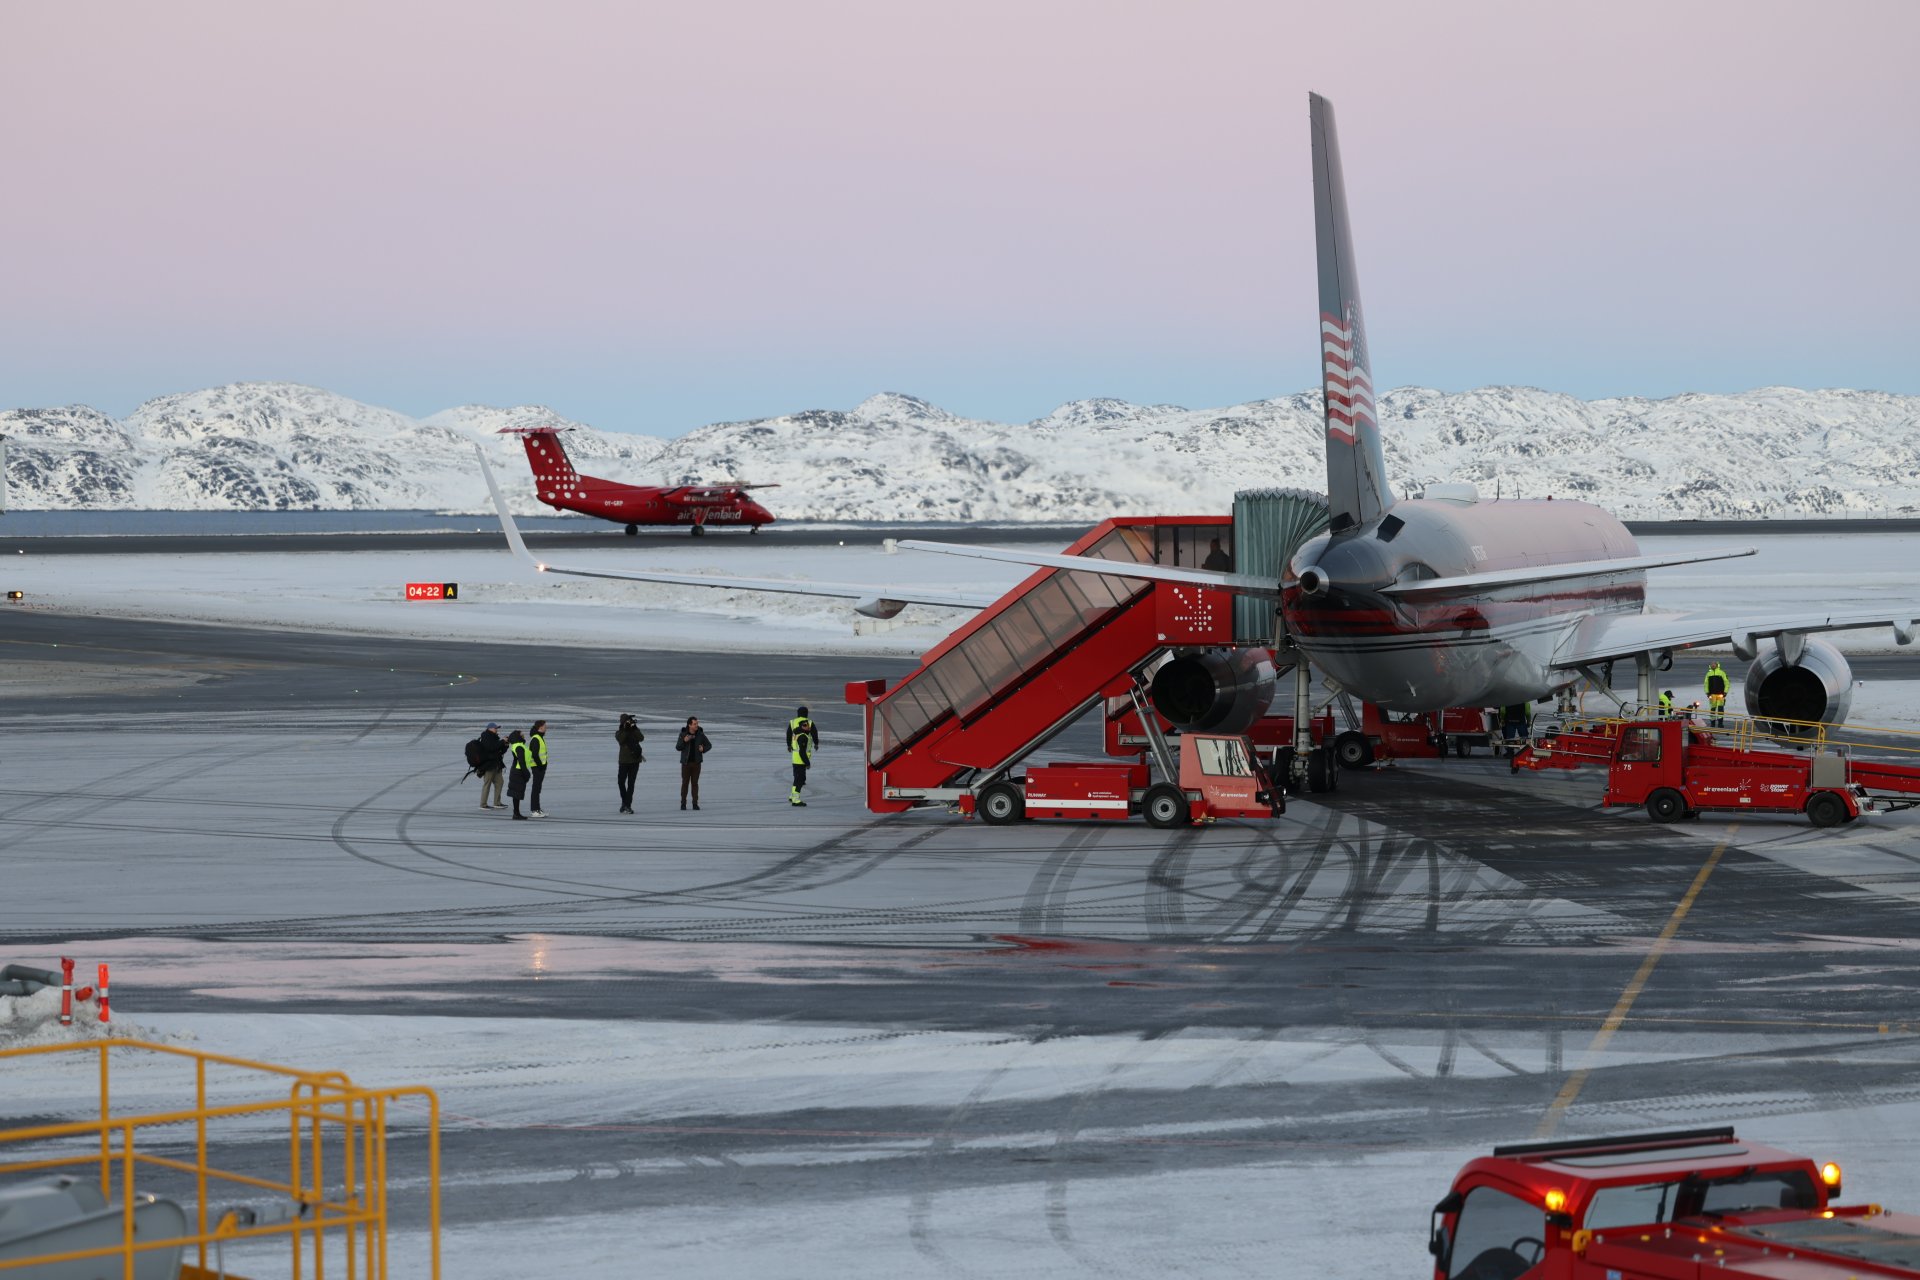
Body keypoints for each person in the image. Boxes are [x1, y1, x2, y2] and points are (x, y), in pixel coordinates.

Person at [676, 716, 711, 810]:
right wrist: (684, 741)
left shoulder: (700, 734)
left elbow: (709, 745)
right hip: (686, 764)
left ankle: (695, 803)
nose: (697, 725)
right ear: (689, 725)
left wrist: (703, 749)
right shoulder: (683, 734)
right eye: (695, 724)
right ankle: (683, 803)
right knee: (685, 783)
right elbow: (678, 747)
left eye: (697, 723)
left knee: (695, 784)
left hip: (696, 763)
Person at [786, 706, 818, 807]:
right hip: (800, 759)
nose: (807, 726)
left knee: (797, 778)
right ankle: (796, 799)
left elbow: (788, 734)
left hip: (795, 757)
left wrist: (788, 745)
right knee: (800, 779)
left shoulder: (793, 723)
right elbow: (814, 733)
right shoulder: (807, 727)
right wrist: (807, 762)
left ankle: (792, 795)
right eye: (806, 726)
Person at [615, 714, 645, 814]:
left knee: (631, 784)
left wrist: (634, 728)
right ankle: (625, 802)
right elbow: (621, 740)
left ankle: (627, 805)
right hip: (623, 761)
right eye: (626, 721)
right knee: (620, 782)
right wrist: (626, 729)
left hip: (634, 761)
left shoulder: (634, 730)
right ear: (623, 722)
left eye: (629, 721)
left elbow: (641, 738)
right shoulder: (619, 732)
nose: (628, 723)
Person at [477, 722, 508, 811]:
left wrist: (505, 745)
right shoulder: (486, 736)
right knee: (487, 784)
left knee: (500, 782)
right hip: (488, 765)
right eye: (495, 728)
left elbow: (500, 751)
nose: (496, 729)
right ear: (489, 728)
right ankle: (483, 804)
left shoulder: (494, 737)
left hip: (496, 764)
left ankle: (497, 803)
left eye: (497, 728)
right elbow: (491, 748)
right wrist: (502, 741)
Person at [505, 729, 533, 820]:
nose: (523, 735)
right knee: (516, 793)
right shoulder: (519, 746)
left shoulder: (518, 745)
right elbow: (521, 762)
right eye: (522, 734)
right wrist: (526, 773)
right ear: (518, 736)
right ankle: (516, 814)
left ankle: (516, 813)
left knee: (516, 793)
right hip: (518, 771)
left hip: (517, 770)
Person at [528, 719, 551, 818]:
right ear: (540, 727)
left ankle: (537, 808)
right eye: (545, 726)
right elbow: (534, 755)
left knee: (538, 789)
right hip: (537, 768)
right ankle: (534, 810)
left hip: (540, 768)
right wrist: (541, 766)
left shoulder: (539, 737)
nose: (546, 728)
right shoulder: (536, 738)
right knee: (536, 788)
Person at [1703, 661, 1730, 728]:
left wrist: (1725, 692)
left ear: (1717, 665)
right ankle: (1712, 723)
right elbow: (1706, 684)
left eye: (1714, 664)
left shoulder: (1722, 673)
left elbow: (1727, 683)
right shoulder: (1708, 674)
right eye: (1711, 664)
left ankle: (1720, 723)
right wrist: (1707, 693)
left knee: (1720, 709)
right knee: (1712, 709)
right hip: (1712, 695)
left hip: (1721, 694)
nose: (1713, 665)